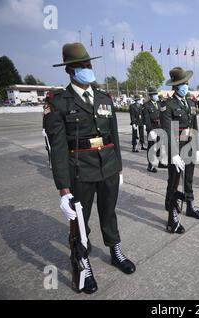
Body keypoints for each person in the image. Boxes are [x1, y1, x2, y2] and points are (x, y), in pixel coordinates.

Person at [44, 43, 135, 294]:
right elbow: (58, 149)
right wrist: (63, 190)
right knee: (81, 223)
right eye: (81, 66)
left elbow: (113, 136)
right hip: (80, 171)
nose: (87, 69)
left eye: (89, 65)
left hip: (107, 168)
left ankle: (115, 250)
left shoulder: (104, 98)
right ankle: (82, 260)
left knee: (109, 212)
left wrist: (119, 168)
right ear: (70, 71)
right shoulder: (58, 102)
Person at [160, 67, 199, 234]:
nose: (186, 86)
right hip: (177, 146)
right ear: (176, 86)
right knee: (174, 181)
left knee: (189, 179)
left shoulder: (191, 103)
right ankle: (172, 218)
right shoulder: (167, 105)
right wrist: (173, 154)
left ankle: (190, 206)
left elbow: (194, 126)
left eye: (187, 83)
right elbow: (166, 131)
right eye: (183, 83)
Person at [142, 87, 165, 172]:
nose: (156, 96)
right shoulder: (146, 105)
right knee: (151, 147)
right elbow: (146, 119)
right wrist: (150, 130)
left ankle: (159, 162)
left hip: (159, 127)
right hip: (152, 128)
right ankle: (150, 165)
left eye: (156, 94)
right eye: (154, 94)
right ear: (151, 95)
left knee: (159, 146)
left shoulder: (159, 104)